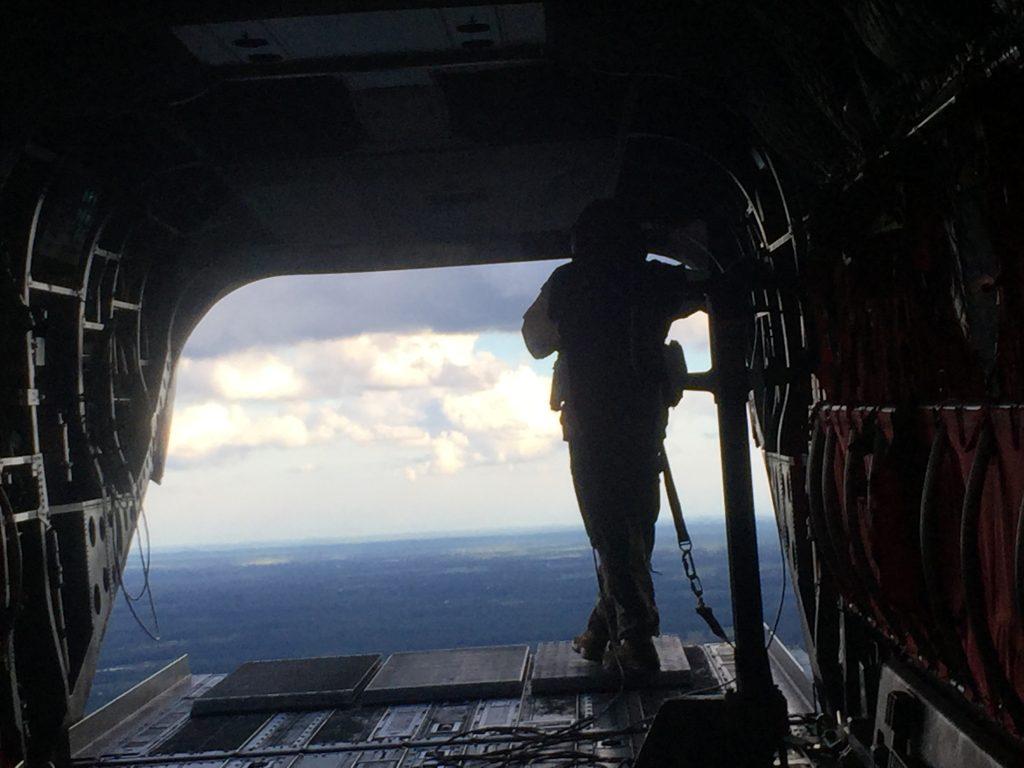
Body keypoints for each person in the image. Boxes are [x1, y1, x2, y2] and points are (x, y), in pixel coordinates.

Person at [522, 199, 706, 673]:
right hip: (642, 426)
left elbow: (536, 340)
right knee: (631, 532)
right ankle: (607, 625)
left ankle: (636, 637)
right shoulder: (657, 280)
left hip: (590, 428)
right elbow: (711, 291)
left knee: (610, 532)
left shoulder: (568, 283)